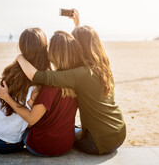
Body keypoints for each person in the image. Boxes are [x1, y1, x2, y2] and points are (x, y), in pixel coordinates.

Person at [15, 10, 126, 155]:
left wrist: (19, 57)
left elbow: (34, 76)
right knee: (75, 128)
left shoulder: (80, 75)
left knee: (69, 133)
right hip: (119, 131)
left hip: (98, 142)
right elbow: (79, 44)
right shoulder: (103, 67)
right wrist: (77, 24)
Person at [0, 31, 82, 156]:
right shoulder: (78, 78)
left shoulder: (50, 84)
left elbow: (31, 119)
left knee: (22, 128)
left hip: (43, 146)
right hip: (66, 144)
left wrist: (7, 97)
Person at [0, 28, 50, 153]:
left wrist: (20, 57)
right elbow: (31, 120)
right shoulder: (40, 83)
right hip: (4, 143)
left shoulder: (13, 68)